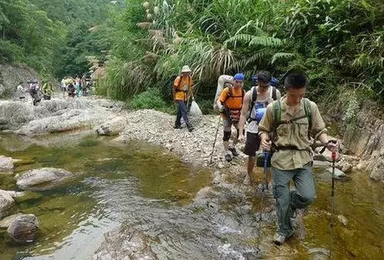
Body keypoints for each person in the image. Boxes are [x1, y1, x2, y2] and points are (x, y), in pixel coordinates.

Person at [258, 73, 337, 245]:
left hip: (303, 159)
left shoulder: (310, 107)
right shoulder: (274, 108)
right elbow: (263, 129)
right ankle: (284, 230)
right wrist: (264, 138)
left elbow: (319, 131)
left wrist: (327, 142)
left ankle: (290, 205)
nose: (297, 99)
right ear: (286, 91)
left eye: (301, 95)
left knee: (308, 197)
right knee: (282, 199)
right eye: (294, 95)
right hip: (280, 159)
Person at [238, 71, 281, 184]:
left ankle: (269, 178)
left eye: (266, 86)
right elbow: (243, 114)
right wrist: (241, 133)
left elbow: (281, 113)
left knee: (270, 153)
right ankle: (249, 174)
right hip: (254, 126)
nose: (263, 88)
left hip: (270, 128)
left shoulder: (275, 93)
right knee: (251, 154)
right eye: (261, 86)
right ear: (257, 82)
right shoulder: (250, 94)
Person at [216, 73, 245, 162]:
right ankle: (227, 152)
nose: (238, 84)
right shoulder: (227, 90)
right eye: (237, 82)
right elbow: (219, 101)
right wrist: (220, 107)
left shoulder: (243, 91)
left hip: (237, 114)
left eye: (240, 82)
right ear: (233, 81)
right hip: (227, 114)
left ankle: (232, 146)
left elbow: (245, 104)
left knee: (241, 131)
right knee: (227, 134)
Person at [173, 65, 194, 132]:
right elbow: (174, 88)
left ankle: (177, 124)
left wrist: (189, 95)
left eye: (188, 72)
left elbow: (190, 87)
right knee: (184, 110)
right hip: (179, 96)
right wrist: (174, 97)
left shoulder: (189, 78)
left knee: (180, 111)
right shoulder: (179, 78)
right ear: (183, 72)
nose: (187, 73)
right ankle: (188, 125)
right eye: (186, 72)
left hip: (185, 96)